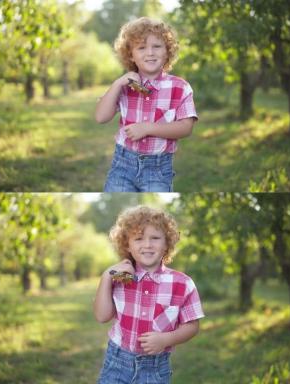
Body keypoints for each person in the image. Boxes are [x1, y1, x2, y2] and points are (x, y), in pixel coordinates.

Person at [93, 206, 204, 383]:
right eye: (138, 238)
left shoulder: (182, 283)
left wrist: (166, 339)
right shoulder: (121, 276)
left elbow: (192, 326)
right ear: (127, 245)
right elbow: (102, 316)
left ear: (167, 243)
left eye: (155, 238)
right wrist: (107, 276)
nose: (147, 245)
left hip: (155, 369)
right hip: (117, 363)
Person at [95, 17, 197, 192]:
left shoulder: (180, 87)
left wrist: (147, 128)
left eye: (157, 46)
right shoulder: (125, 85)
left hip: (157, 168)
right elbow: (101, 117)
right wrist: (117, 84)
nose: (150, 52)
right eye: (141, 47)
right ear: (131, 55)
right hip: (122, 165)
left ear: (167, 51)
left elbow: (186, 128)